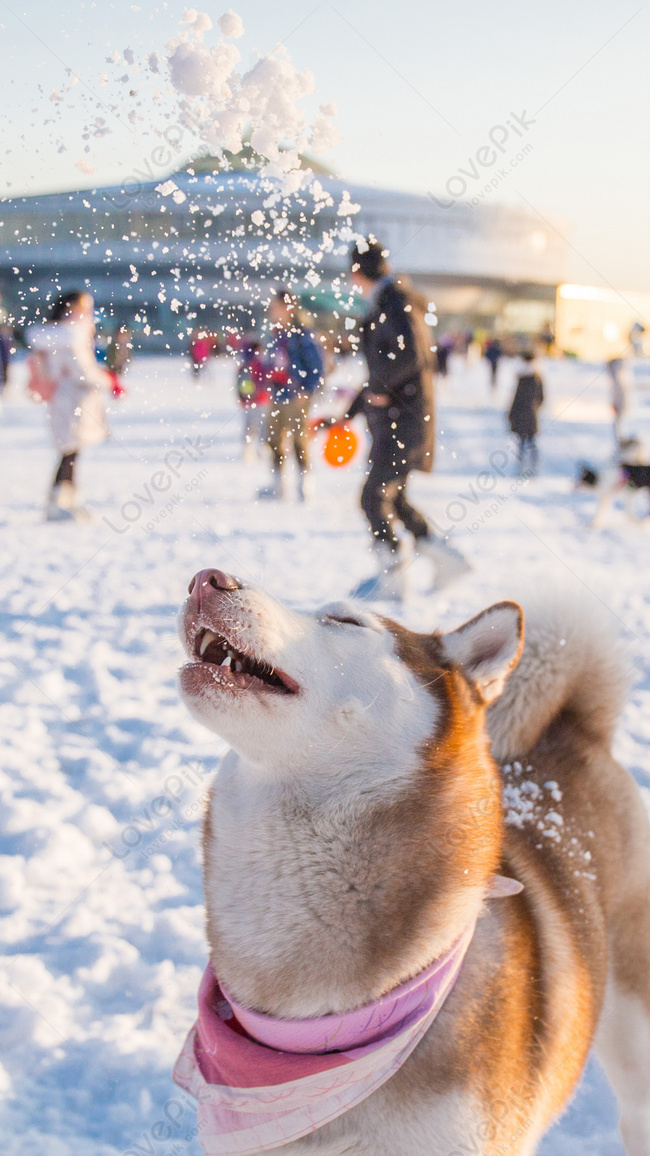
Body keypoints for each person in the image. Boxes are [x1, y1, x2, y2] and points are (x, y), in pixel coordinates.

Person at [344, 239, 470, 600]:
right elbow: (383, 369)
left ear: (356, 272)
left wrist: (381, 388)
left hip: (404, 422)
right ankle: (448, 560)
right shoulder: (391, 301)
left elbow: (412, 355)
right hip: (399, 421)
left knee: (372, 499)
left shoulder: (396, 303)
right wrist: (348, 414)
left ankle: (393, 577)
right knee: (393, 499)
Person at [28, 290, 112, 521]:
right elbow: (82, 371)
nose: (89, 313)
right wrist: (107, 380)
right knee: (71, 451)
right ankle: (60, 502)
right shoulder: (72, 335)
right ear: (70, 307)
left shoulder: (53, 335)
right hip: (75, 399)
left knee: (69, 450)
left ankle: (64, 500)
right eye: (85, 307)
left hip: (61, 399)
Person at [260, 289, 323, 502]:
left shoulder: (302, 335)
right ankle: (277, 483)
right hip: (278, 394)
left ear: (288, 308)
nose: (272, 311)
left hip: (296, 396)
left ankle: (305, 483)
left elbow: (316, 366)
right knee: (274, 438)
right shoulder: (275, 335)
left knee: (299, 439)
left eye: (276, 307)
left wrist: (306, 390)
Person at [508, 351, 544, 474]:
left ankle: (524, 467)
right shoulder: (537, 377)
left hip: (523, 415)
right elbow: (541, 398)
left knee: (524, 443)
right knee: (530, 442)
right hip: (530, 415)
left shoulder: (524, 378)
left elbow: (516, 399)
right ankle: (531, 467)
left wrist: (512, 414)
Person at [237, 336, 270, 462]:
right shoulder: (259, 363)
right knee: (260, 427)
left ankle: (251, 450)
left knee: (251, 427)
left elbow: (240, 384)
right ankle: (258, 450)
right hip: (259, 400)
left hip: (252, 401)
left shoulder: (245, 364)